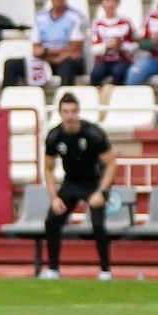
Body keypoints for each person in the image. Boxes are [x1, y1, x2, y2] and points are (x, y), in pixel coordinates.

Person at [40, 93, 117, 282]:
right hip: (71, 183)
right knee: (52, 221)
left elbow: (112, 163)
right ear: (60, 113)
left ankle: (105, 270)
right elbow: (48, 169)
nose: (70, 116)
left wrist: (102, 192)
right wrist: (54, 197)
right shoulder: (54, 136)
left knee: (98, 225)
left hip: (93, 183)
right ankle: (53, 269)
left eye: (73, 111)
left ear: (78, 112)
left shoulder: (93, 133)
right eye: (65, 112)